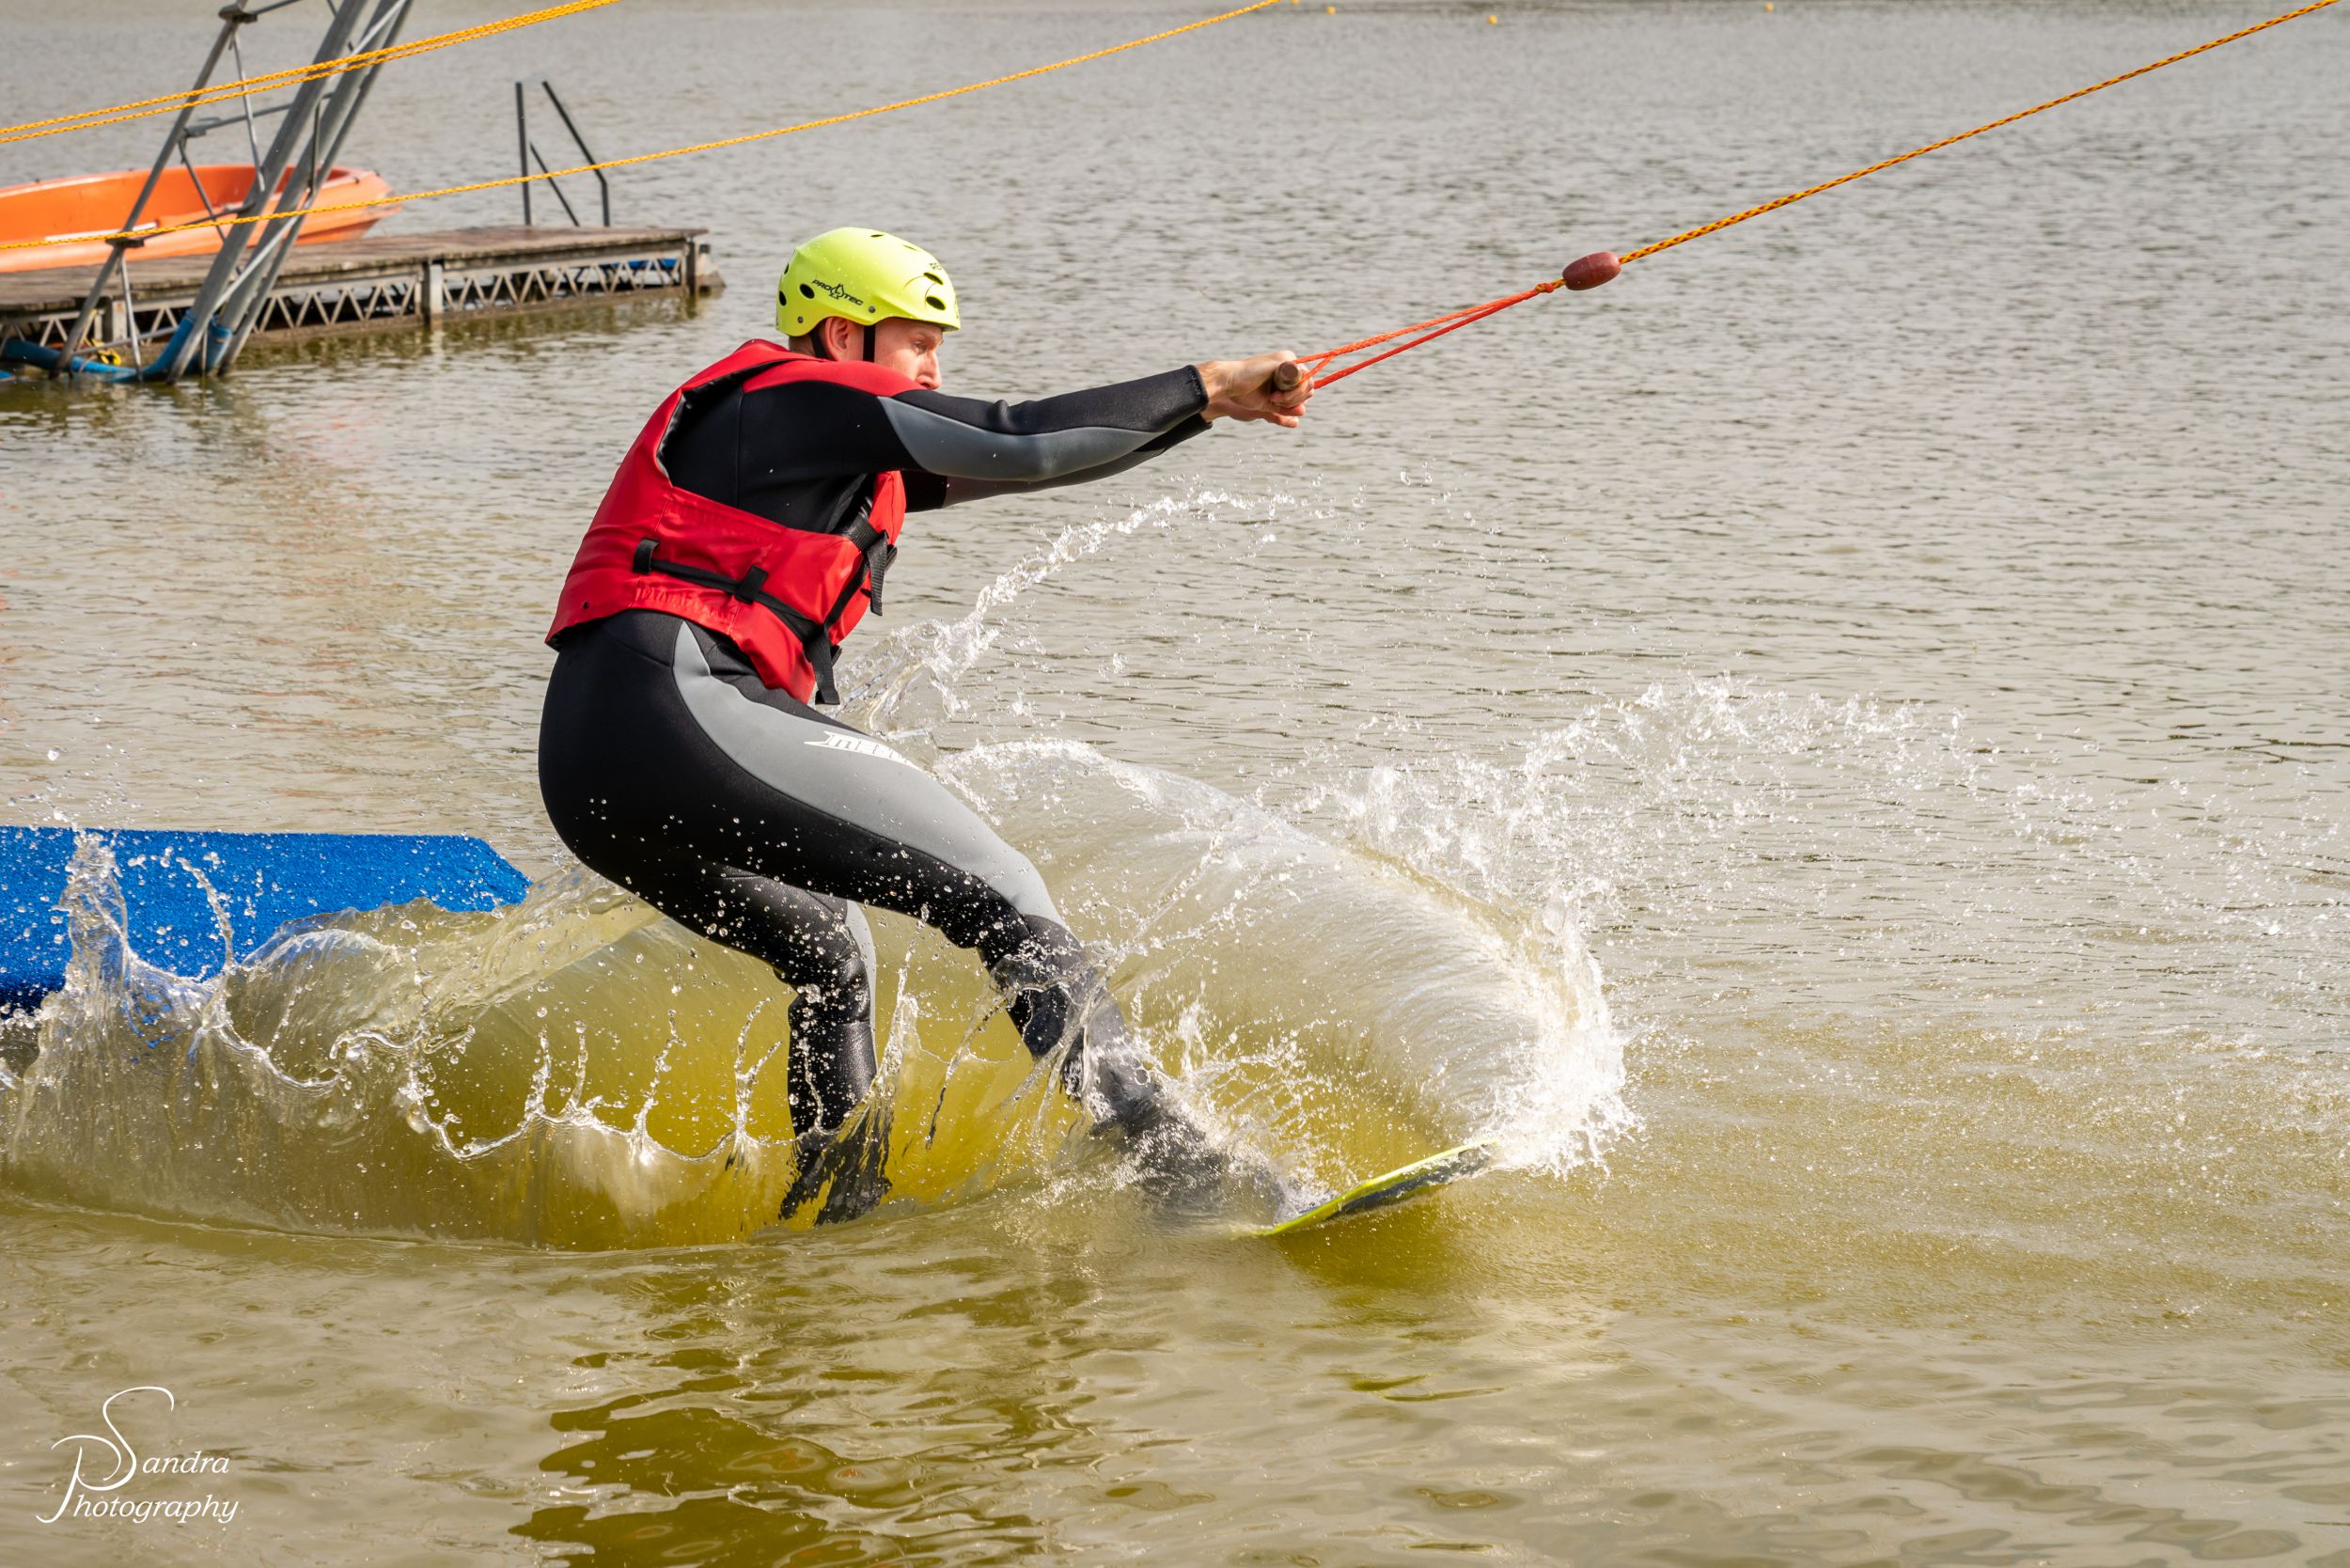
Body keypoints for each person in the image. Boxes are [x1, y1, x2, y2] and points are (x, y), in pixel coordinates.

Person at [538, 227, 1311, 1220]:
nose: (935, 367)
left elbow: (1050, 460)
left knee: (828, 953)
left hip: (598, 765)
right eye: (916, 342)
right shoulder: (789, 394)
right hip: (677, 707)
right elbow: (1019, 435)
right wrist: (1207, 377)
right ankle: (1180, 1172)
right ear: (838, 334)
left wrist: (1210, 412)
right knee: (1005, 891)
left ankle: (837, 1211)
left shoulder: (818, 451)